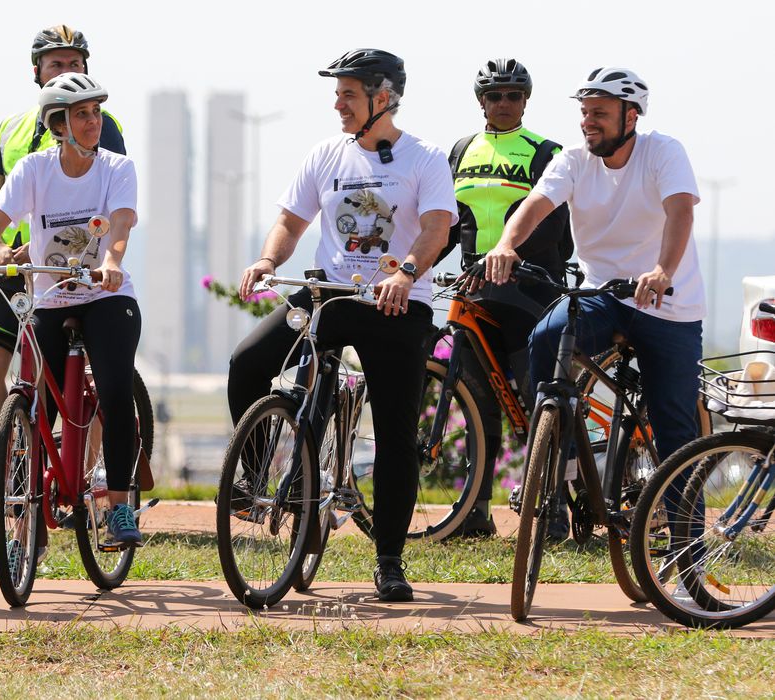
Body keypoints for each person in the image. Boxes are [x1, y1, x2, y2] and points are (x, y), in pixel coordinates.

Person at [229, 49, 456, 602]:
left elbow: (437, 228)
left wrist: (405, 273)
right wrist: (267, 261)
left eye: (348, 94)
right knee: (248, 363)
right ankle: (258, 478)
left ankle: (390, 560)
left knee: (398, 435)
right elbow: (291, 220)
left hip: (395, 304)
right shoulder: (326, 154)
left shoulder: (424, 158)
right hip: (328, 296)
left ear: (384, 98)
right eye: (337, 94)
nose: (338, 104)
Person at [0, 73, 142, 546]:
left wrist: (112, 262)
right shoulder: (35, 169)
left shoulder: (117, 168)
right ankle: (26, 516)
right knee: (35, 407)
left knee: (115, 391)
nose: (93, 122)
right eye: (82, 115)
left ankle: (117, 508)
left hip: (105, 295)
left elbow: (121, 221)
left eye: (95, 113)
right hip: (51, 298)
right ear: (59, 124)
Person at [485, 67, 703, 488]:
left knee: (675, 428)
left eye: (599, 112)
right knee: (547, 337)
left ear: (631, 116)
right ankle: (561, 456)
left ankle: (685, 540)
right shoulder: (573, 160)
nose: (588, 121)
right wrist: (506, 245)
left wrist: (662, 270)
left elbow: (681, 212)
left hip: (668, 302)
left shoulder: (663, 152)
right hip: (603, 295)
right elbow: (535, 205)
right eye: (585, 112)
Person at [445, 58, 572, 539]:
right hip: (475, 291)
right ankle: (474, 512)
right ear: (481, 101)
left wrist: (509, 258)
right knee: (478, 400)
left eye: (513, 96)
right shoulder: (460, 150)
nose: (503, 104)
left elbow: (555, 228)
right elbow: (449, 221)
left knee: (540, 397)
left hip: (529, 289)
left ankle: (554, 506)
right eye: (495, 95)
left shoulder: (546, 151)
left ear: (526, 101)